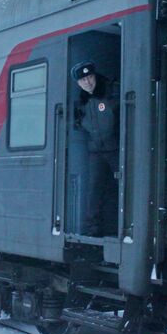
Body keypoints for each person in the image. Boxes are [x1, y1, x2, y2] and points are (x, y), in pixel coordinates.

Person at [70, 61, 119, 237]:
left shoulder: (112, 93)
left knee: (122, 184)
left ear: (95, 76)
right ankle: (93, 228)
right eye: (83, 80)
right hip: (96, 152)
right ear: (78, 83)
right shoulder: (82, 103)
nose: (88, 82)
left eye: (90, 77)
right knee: (94, 188)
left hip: (115, 150)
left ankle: (125, 224)